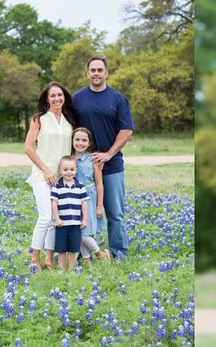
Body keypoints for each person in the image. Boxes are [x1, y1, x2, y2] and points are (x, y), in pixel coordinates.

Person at [72, 56, 135, 258]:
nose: (96, 73)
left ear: (106, 73)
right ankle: (81, 254)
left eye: (100, 70)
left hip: (112, 164)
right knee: (79, 212)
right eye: (93, 70)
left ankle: (119, 254)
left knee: (115, 212)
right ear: (88, 73)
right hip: (83, 166)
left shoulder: (117, 99)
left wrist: (108, 154)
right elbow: (68, 128)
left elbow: (126, 130)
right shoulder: (77, 99)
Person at [24, 82, 77, 273]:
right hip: (41, 175)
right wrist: (46, 170)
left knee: (56, 219)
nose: (57, 98)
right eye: (53, 95)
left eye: (60, 95)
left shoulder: (69, 120)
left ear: (64, 97)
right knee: (46, 217)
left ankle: (49, 259)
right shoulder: (39, 119)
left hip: (61, 177)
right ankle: (35, 258)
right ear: (47, 99)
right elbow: (28, 148)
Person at [72, 127, 111, 266]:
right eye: (77, 139)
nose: (80, 143)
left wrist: (99, 205)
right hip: (73, 198)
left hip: (89, 197)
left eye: (84, 140)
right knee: (78, 232)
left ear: (89, 143)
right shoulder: (68, 159)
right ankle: (87, 262)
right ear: (72, 141)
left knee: (85, 233)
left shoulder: (93, 159)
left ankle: (100, 254)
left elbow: (99, 183)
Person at [50, 156, 88, 272]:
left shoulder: (80, 186)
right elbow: (54, 203)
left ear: (76, 170)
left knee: (73, 248)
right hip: (62, 224)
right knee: (61, 249)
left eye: (71, 169)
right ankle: (61, 269)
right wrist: (57, 219)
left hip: (76, 223)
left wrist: (85, 219)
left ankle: (71, 269)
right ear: (60, 171)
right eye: (65, 170)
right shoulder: (56, 186)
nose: (69, 172)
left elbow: (84, 203)